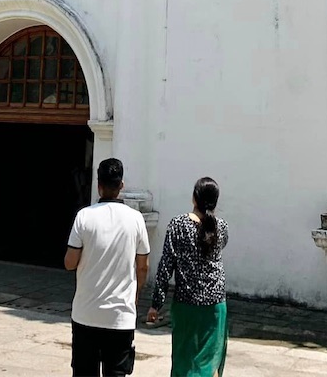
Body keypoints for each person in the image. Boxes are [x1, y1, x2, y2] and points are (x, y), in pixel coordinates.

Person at [65, 157, 151, 376]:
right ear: (121, 185)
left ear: (98, 185)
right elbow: (143, 266)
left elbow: (69, 263)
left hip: (86, 314)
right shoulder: (136, 219)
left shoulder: (84, 217)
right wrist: (137, 293)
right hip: (120, 316)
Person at [147, 177, 228, 377]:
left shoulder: (178, 225)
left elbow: (166, 267)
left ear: (194, 198)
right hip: (216, 305)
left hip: (187, 304)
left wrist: (156, 304)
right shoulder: (221, 227)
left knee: (185, 362)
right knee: (210, 362)